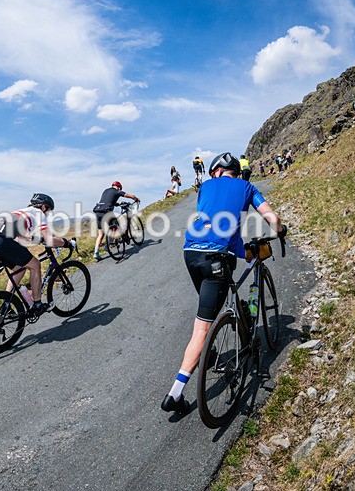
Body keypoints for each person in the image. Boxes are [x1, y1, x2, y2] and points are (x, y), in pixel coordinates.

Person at [161, 152, 287, 415]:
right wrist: (280, 230)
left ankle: (210, 348)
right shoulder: (247, 187)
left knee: (207, 310)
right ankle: (175, 394)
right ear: (236, 172)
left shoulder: (205, 187)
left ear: (217, 171)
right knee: (202, 330)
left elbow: (212, 220)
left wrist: (241, 250)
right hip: (218, 258)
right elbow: (269, 217)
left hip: (191, 254)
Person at [0, 193, 75, 316]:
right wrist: (66, 243)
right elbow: (49, 240)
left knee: (19, 269)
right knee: (35, 265)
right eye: (49, 211)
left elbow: (22, 239)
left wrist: (39, 240)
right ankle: (37, 305)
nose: (48, 214)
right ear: (43, 207)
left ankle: (6, 305)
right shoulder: (39, 213)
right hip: (0, 241)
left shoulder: (23, 212)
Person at [92, 181, 141, 261]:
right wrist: (136, 198)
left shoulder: (106, 191)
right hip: (106, 212)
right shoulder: (116, 191)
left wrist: (118, 204)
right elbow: (128, 195)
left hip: (98, 212)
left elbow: (108, 201)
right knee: (117, 225)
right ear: (119, 187)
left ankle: (96, 253)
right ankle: (110, 243)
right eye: (120, 188)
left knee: (100, 234)